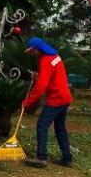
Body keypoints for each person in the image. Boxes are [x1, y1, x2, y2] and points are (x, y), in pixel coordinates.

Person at [21, 37, 73, 169]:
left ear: (38, 49)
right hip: (65, 97)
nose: (31, 54)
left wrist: (27, 102)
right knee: (60, 128)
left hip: (56, 99)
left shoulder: (45, 61)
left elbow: (40, 87)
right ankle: (67, 158)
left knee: (42, 125)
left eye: (32, 51)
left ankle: (41, 158)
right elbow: (52, 76)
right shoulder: (55, 57)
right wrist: (38, 76)